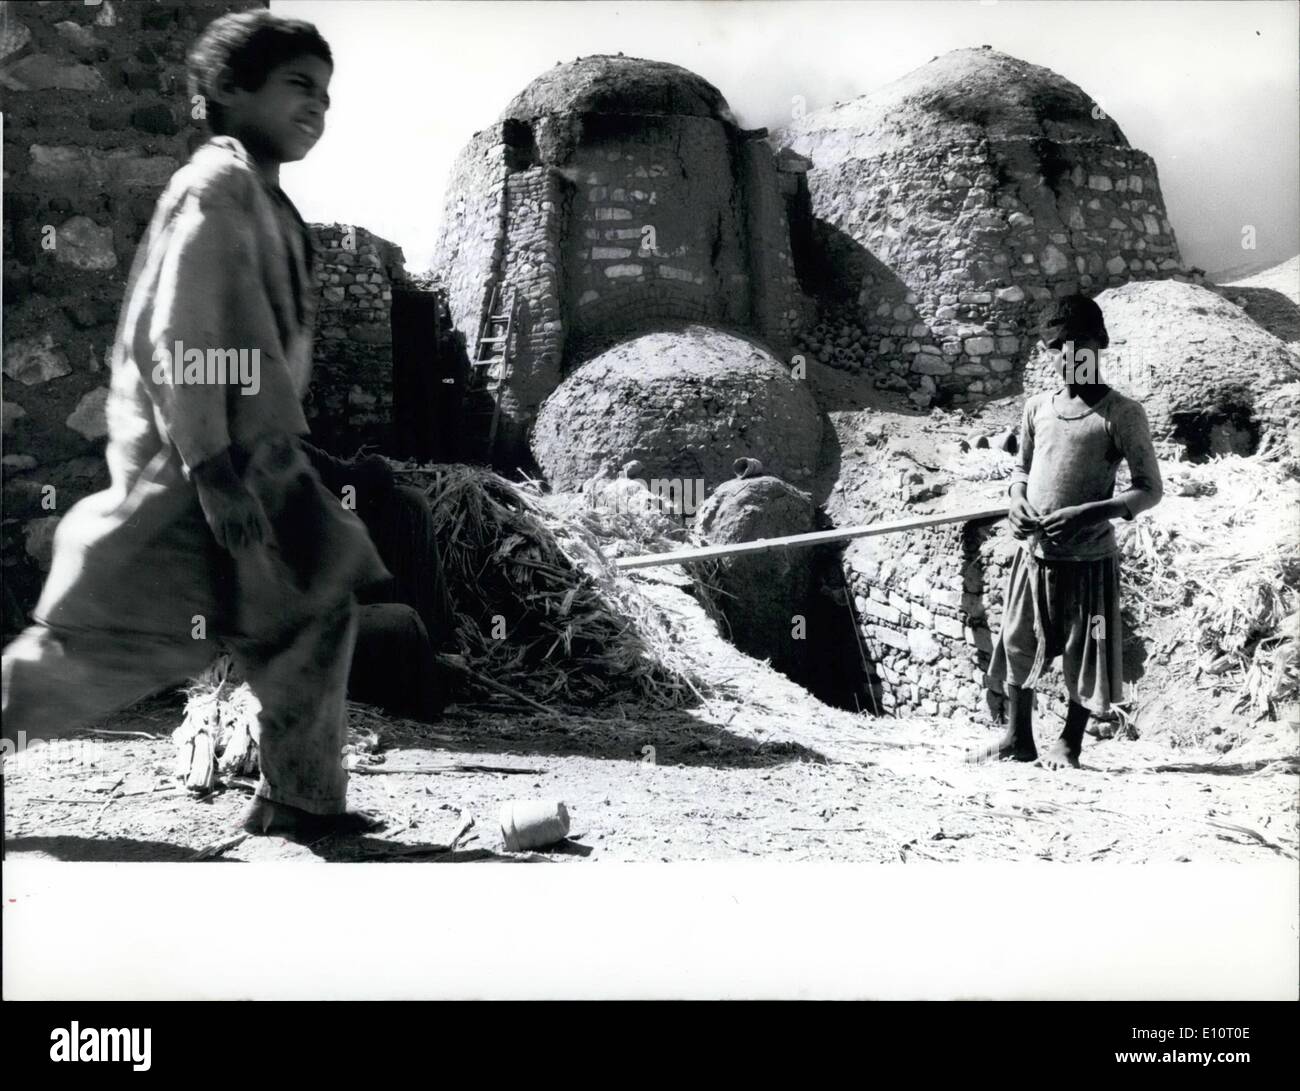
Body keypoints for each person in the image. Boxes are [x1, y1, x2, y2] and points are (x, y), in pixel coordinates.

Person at [1, 10, 391, 837]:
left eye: (326, 92)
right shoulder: (214, 189)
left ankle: (300, 799)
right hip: (191, 469)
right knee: (110, 648)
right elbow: (181, 332)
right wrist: (210, 470)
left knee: (316, 611)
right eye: (297, 86)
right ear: (226, 89)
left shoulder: (270, 203)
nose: (318, 106)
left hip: (263, 466)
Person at [970, 294, 1163, 770]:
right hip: (1033, 557)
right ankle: (1018, 738)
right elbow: (1021, 469)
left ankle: (1069, 743)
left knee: (1083, 650)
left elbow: (1149, 490)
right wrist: (1016, 502)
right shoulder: (1038, 408)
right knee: (1017, 642)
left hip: (1088, 560)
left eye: (1077, 345)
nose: (1066, 355)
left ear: (1101, 345)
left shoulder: (1122, 414)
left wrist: (1088, 513)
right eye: (1055, 346)